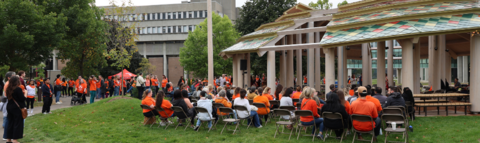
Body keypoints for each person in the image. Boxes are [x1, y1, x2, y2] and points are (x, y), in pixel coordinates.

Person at [5, 76, 26, 142]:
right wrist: (25, 93)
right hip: (17, 108)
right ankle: (15, 140)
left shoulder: (8, 88)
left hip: (9, 107)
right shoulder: (18, 89)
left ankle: (8, 139)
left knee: (10, 123)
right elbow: (22, 99)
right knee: (17, 123)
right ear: (17, 81)